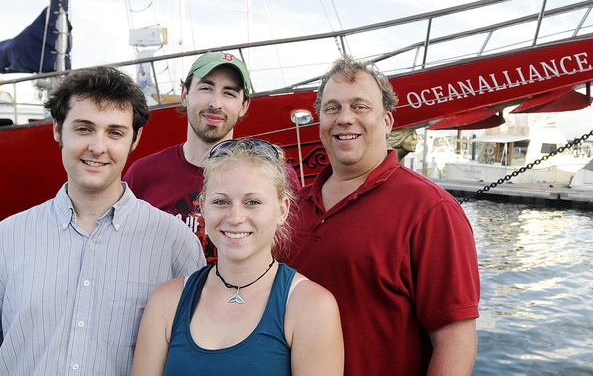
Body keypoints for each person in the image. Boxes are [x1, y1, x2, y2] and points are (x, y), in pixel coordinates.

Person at [282, 55, 481, 375]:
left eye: (360, 106)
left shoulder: (431, 210)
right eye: (332, 108)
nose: (344, 118)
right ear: (320, 120)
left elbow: (455, 341)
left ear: (387, 122)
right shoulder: (291, 207)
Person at [0, 66, 206, 375]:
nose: (98, 147)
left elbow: (193, 356)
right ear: (57, 129)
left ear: (135, 139)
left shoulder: (175, 244)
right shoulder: (8, 238)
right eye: (83, 129)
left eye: (115, 132)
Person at [132, 139, 343, 376]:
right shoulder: (166, 301)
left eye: (253, 202)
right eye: (221, 202)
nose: (235, 217)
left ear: (282, 210)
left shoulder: (311, 307)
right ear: (202, 207)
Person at [124, 51, 300, 262]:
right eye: (206, 88)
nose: (216, 103)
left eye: (229, 93)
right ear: (185, 95)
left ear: (244, 106)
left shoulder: (277, 175)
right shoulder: (143, 174)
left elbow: (294, 254)